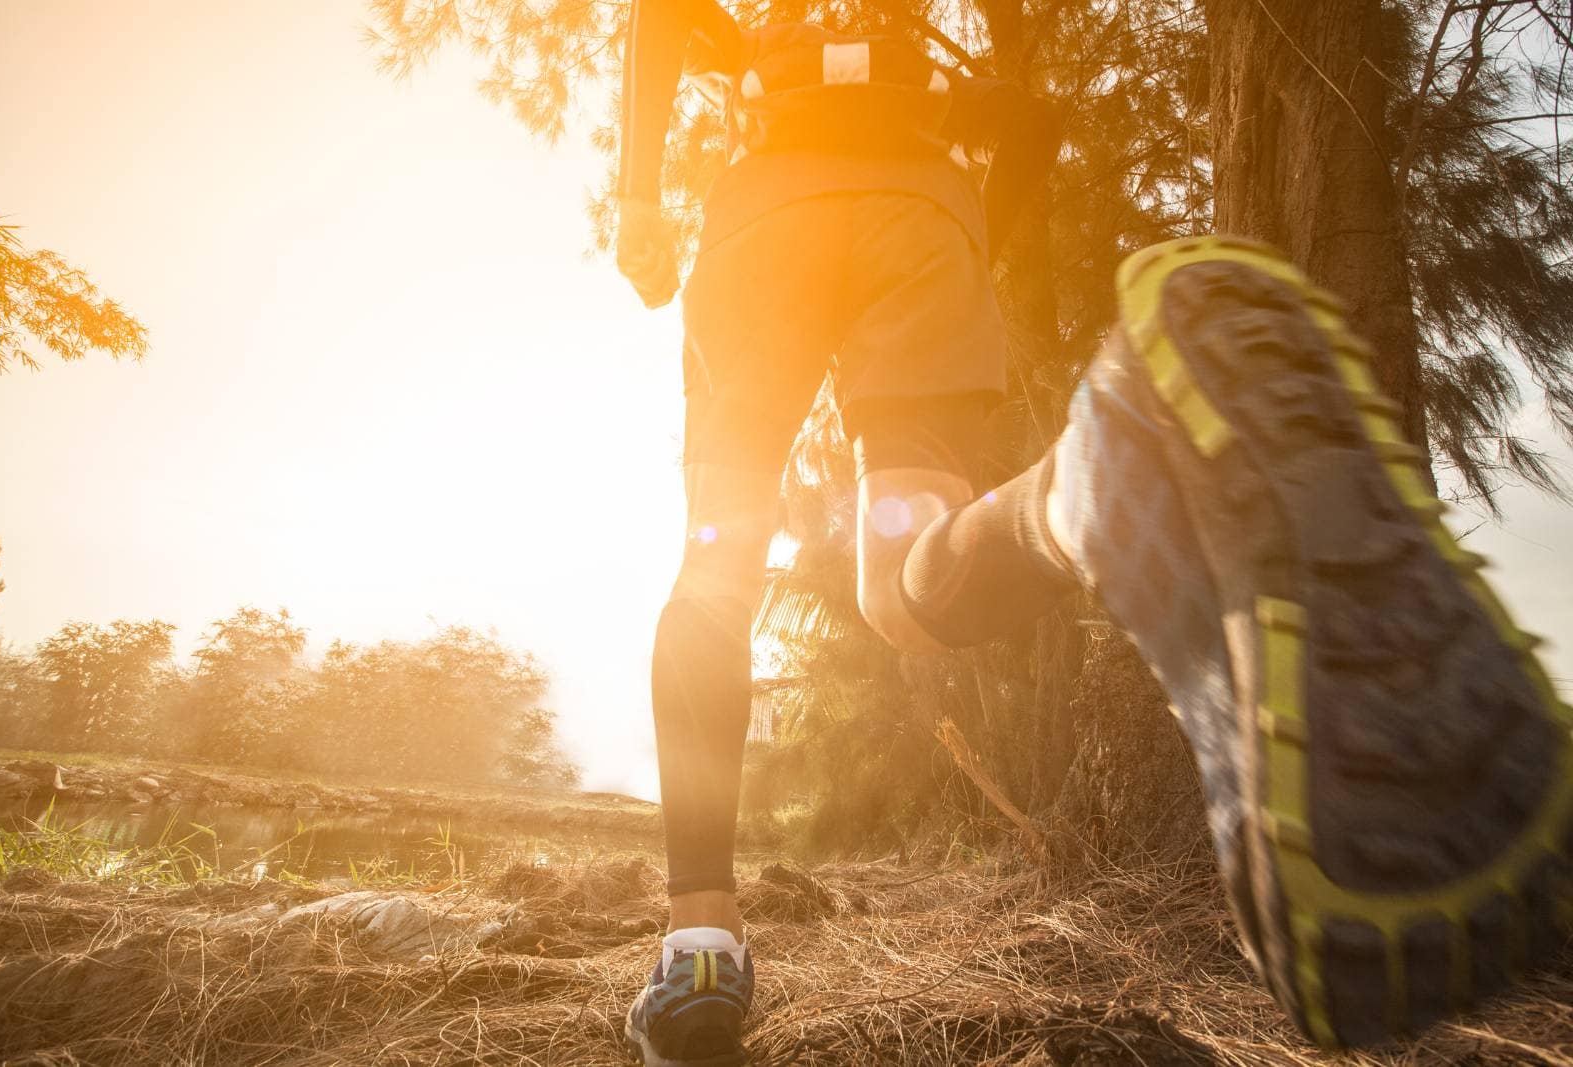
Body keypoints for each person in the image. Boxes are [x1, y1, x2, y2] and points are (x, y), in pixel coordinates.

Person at [612, 1, 1573, 1063]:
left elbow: (661, 16)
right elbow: (1028, 119)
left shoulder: (767, 40)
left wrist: (640, 195)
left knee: (717, 571)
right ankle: (1086, 485)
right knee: (904, 580)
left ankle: (699, 940)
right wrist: (979, 242)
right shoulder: (915, 68)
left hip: (764, 224)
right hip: (920, 216)